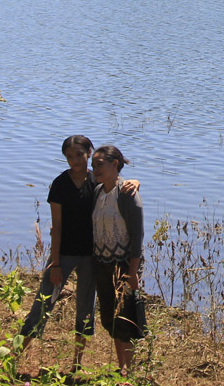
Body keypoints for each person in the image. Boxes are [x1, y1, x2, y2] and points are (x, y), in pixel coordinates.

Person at [18, 135, 139, 375]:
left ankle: (75, 365)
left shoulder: (98, 179)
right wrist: (55, 264)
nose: (75, 160)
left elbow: (120, 185)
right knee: (42, 305)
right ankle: (13, 357)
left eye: (80, 155)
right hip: (64, 255)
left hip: (91, 257)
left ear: (89, 153)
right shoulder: (60, 184)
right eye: (69, 156)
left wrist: (135, 182)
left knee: (85, 311)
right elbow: (57, 227)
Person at [91, 145, 144, 377]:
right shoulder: (97, 190)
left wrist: (133, 272)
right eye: (93, 165)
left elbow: (137, 235)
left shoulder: (127, 193)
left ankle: (128, 371)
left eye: (99, 164)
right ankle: (121, 367)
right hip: (101, 263)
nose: (95, 169)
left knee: (126, 319)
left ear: (115, 164)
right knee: (110, 318)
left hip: (123, 264)